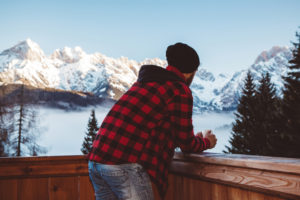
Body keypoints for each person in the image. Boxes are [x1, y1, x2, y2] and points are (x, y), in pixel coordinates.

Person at [87, 42, 217, 200]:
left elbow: (153, 130)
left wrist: (197, 139)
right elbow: (186, 143)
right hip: (122, 163)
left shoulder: (147, 82)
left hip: (96, 161)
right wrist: (207, 142)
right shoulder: (179, 89)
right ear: (192, 72)